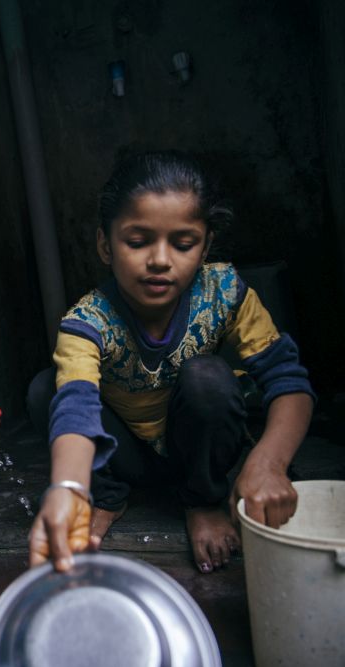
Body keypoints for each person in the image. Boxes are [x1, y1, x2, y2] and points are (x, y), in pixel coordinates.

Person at [26, 151, 314, 575]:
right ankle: (106, 495)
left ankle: (201, 499)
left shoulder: (225, 292)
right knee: (45, 389)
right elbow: (76, 407)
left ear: (205, 245)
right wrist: (70, 487)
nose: (160, 259)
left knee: (209, 377)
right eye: (138, 241)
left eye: (183, 244)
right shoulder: (86, 322)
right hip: (127, 456)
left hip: (201, 445)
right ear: (106, 245)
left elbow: (289, 382)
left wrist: (267, 463)